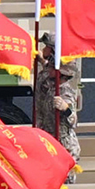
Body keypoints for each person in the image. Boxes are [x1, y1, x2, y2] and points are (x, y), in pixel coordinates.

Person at [35, 40, 81, 169]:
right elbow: (46, 67)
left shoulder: (65, 92)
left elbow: (73, 121)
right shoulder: (49, 80)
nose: (48, 68)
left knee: (63, 178)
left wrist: (65, 108)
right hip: (47, 139)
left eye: (52, 67)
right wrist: (42, 60)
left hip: (63, 146)